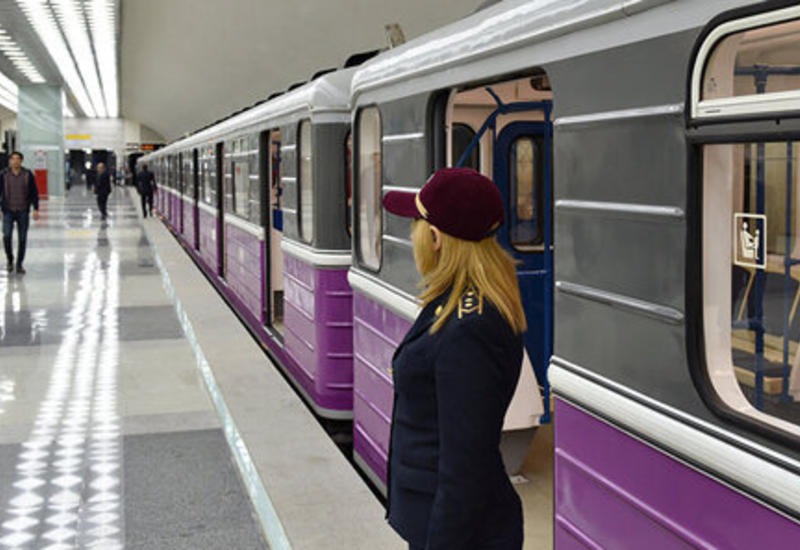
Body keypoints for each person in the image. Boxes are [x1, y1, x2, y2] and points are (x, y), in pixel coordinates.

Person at [382, 167, 527, 550]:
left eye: (415, 226)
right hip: (439, 521)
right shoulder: (460, 305)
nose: (411, 237)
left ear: (435, 238)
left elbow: (464, 467)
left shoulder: (468, 329)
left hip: (456, 534)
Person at [0, 151, 40, 274]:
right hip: (8, 211)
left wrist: (36, 208)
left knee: (22, 239)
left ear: (21, 161)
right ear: (10, 161)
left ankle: (19, 264)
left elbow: (34, 192)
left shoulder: (27, 174)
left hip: (23, 211)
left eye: (17, 159)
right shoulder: (3, 174)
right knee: (6, 236)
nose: (15, 161)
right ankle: (10, 259)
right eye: (13, 159)